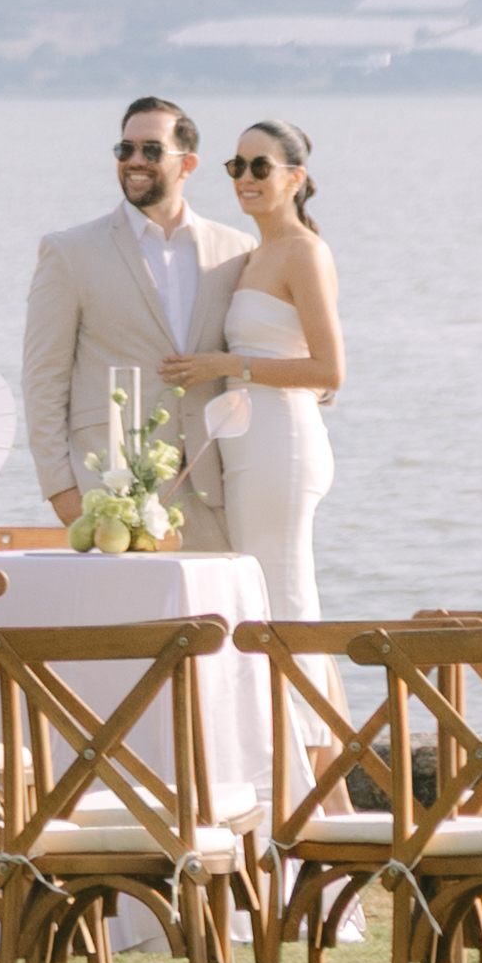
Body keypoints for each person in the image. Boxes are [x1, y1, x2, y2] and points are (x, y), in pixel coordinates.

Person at [19, 96, 244, 550]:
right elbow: (43, 378)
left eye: (151, 150)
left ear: (188, 163)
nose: (135, 161)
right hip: (109, 492)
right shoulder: (70, 252)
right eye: (126, 149)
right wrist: (62, 491)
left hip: (215, 490)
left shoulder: (237, 249)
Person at [158, 119, 344, 629]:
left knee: (282, 598)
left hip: (281, 439)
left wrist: (227, 366)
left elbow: (330, 370)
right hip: (246, 443)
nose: (245, 177)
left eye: (260, 166)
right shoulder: (254, 255)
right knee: (256, 600)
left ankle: (300, 686)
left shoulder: (304, 252)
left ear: (295, 177)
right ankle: (276, 686)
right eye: (236, 166)